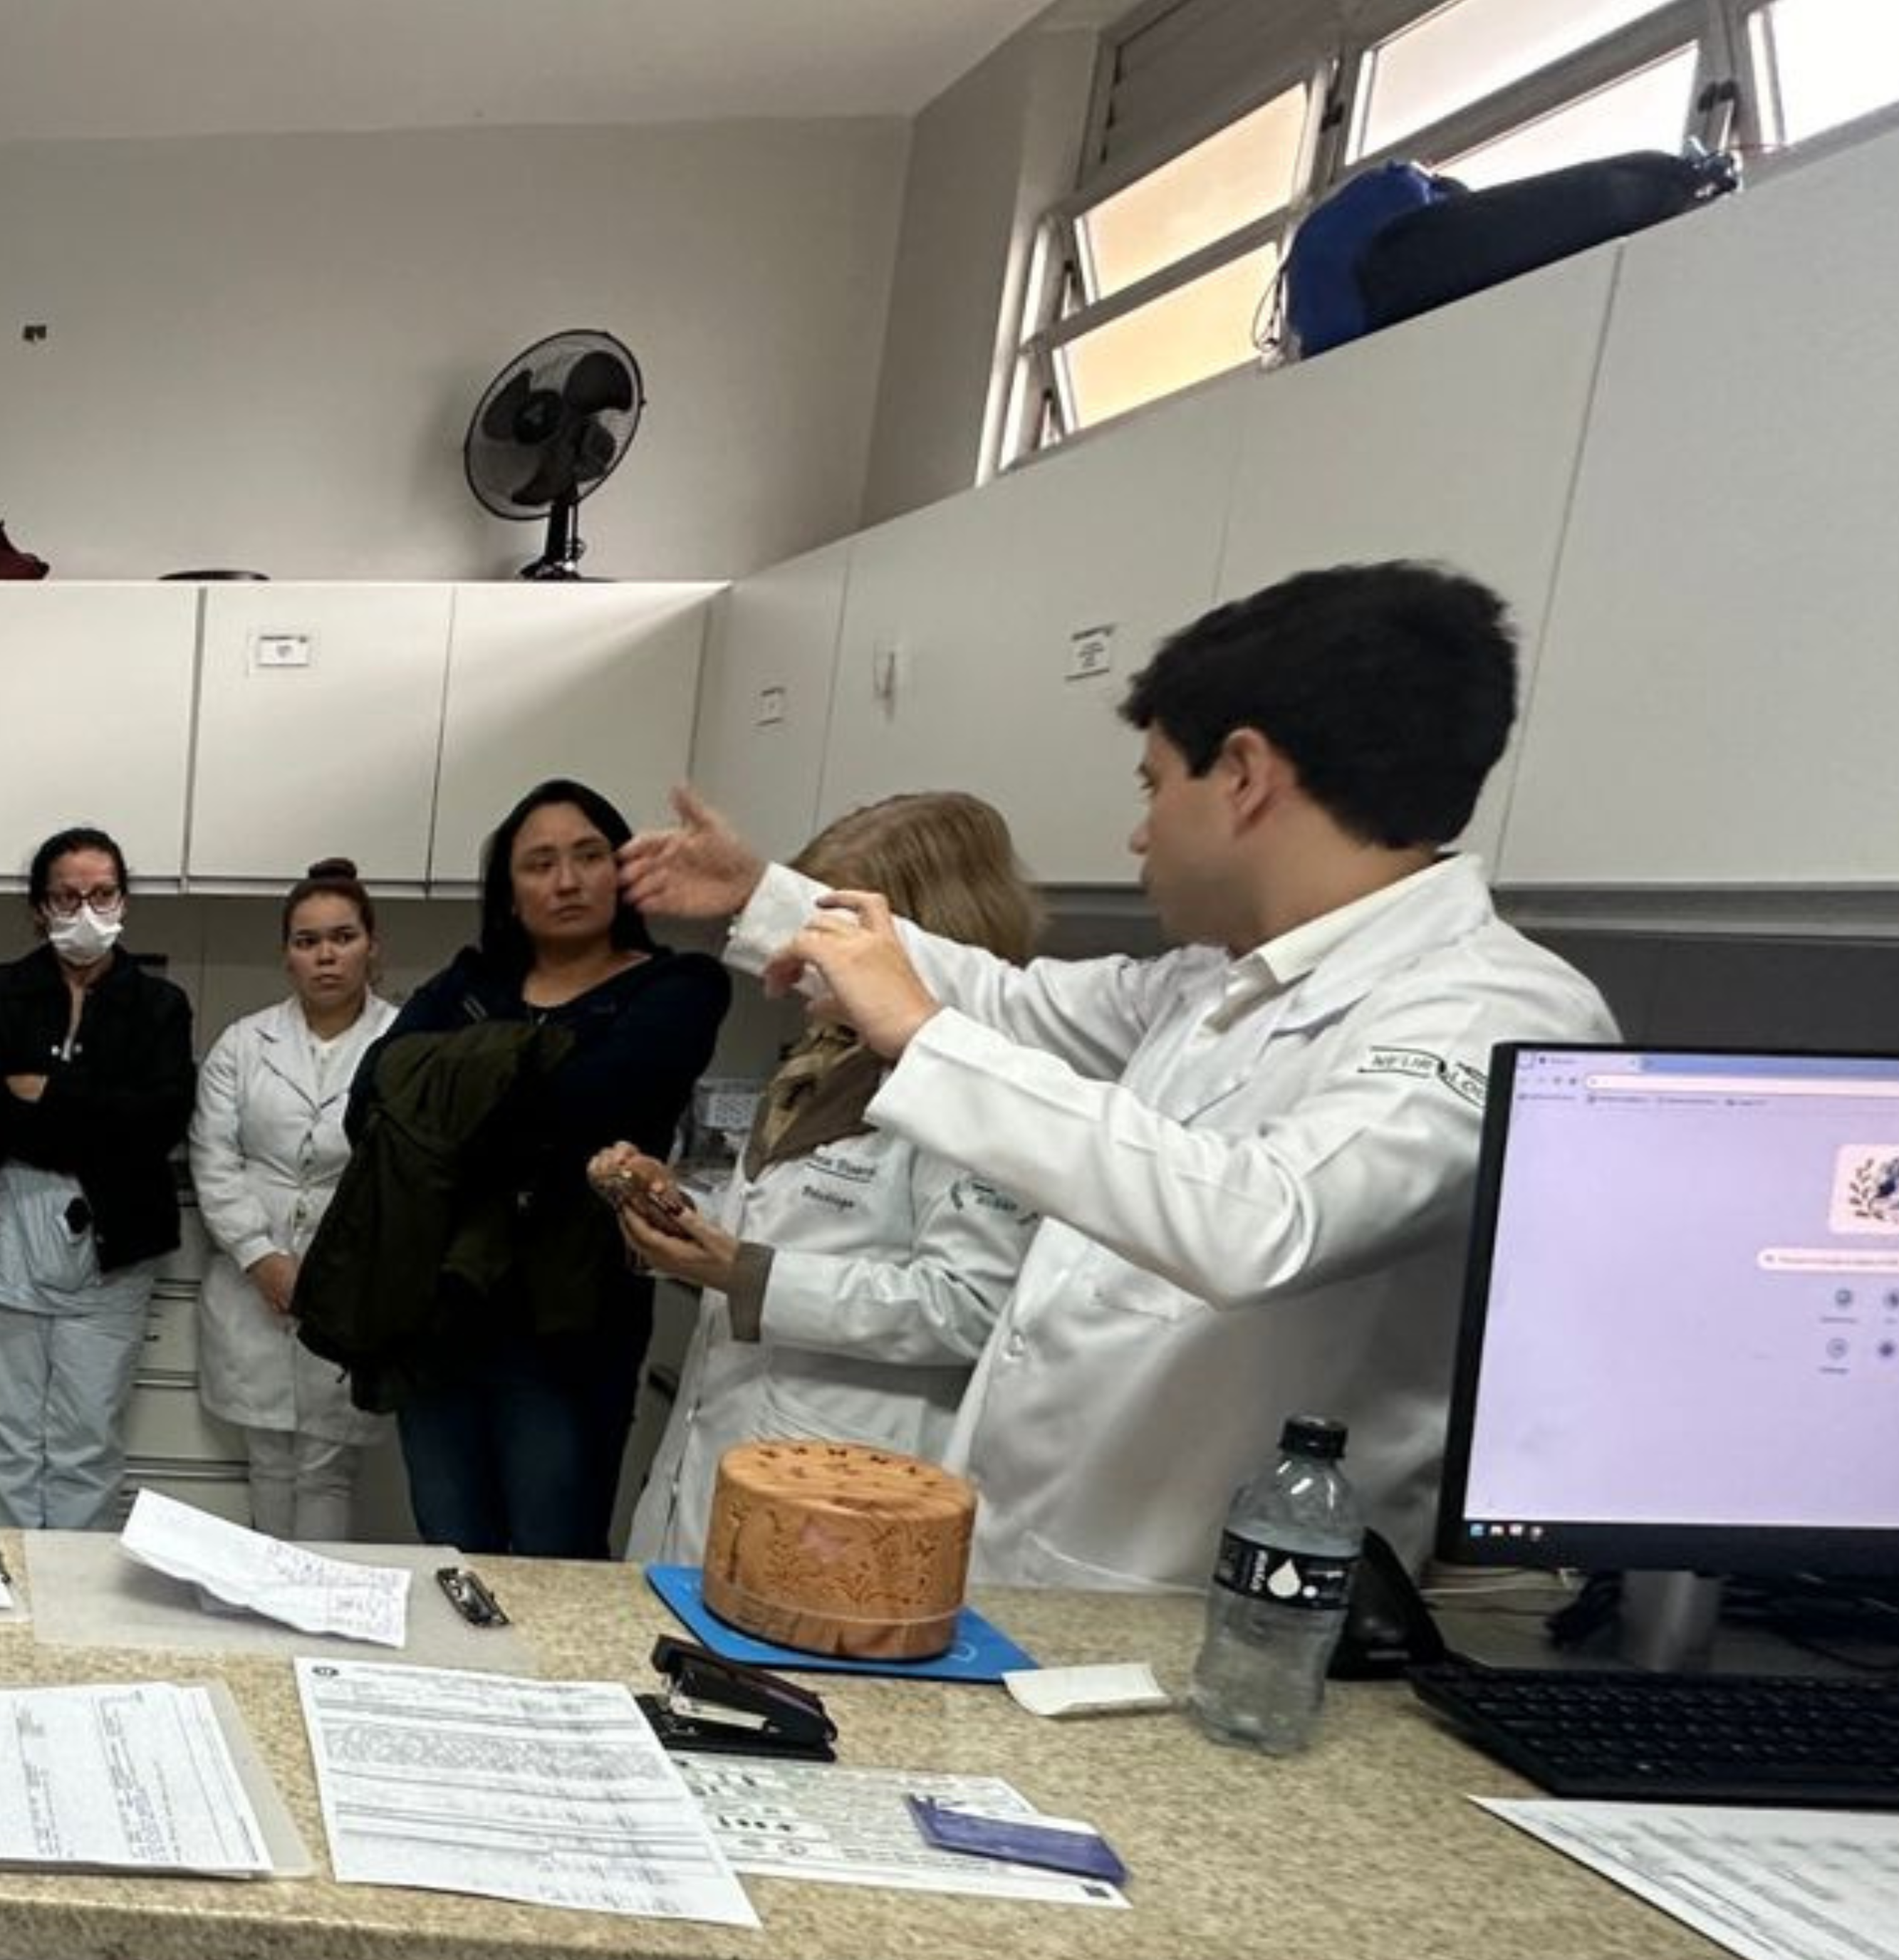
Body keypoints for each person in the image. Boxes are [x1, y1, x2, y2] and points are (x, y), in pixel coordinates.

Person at [622, 560, 1617, 1589]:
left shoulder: (1489, 1012)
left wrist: (920, 1039)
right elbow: (1006, 1000)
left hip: (1211, 1617)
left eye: (1153, 783)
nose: (1138, 831)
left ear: (1241, 775)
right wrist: (768, 899)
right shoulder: (1214, 984)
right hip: (1040, 1584)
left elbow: (1262, 1224)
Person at [608, 793, 1046, 1567]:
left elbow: (974, 1307)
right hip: (723, 1459)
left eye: (825, 929)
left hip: (843, 1489)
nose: (797, 953)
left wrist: (751, 1276)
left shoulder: (978, 1079)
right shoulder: (824, 1059)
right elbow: (789, 1224)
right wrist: (676, 1203)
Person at [363, 776, 732, 1557]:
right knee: (450, 1549)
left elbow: (584, 1110)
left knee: (551, 1555)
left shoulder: (676, 989)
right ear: (509, 890)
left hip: (567, 1327)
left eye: (589, 856)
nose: (567, 881)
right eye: (539, 864)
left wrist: (456, 1087)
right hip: (440, 1313)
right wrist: (524, 1087)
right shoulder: (471, 982)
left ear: (623, 870)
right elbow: (370, 1100)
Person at [0, 824, 196, 1531]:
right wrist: (98, 1111)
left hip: (112, 1243)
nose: (86, 912)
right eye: (68, 898)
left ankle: (73, 1608)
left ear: (124, 900)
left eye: (102, 894)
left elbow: (158, 1125)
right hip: (6, 1231)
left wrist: (46, 1092)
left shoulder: (161, 1006)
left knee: (86, 1445)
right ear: (40, 908)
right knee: (8, 1443)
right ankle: (17, 1606)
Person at [188, 860, 393, 1538]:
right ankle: (267, 1619)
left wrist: (335, 1268)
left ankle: (319, 1612)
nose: (326, 955)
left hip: (357, 1276)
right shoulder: (243, 1044)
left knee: (330, 1462)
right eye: (307, 942)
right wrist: (261, 1257)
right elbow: (214, 1159)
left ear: (371, 945)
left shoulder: (406, 1044)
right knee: (270, 1457)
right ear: (287, 956)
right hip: (255, 1277)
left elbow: (409, 1172)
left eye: (342, 937)